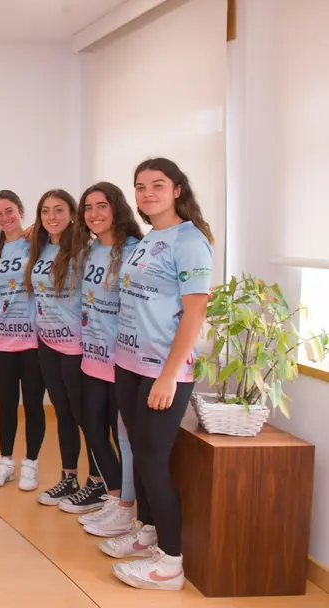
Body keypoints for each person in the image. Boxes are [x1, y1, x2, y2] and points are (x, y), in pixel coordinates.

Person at [103, 158, 213, 592]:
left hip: (161, 372)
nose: (147, 194)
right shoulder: (152, 238)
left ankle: (170, 563)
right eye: (141, 187)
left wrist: (169, 376)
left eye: (158, 185)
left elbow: (196, 311)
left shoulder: (191, 241)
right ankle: (146, 532)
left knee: (152, 459)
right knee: (141, 455)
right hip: (129, 364)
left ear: (178, 190)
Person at [28, 189, 105, 511]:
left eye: (59, 210)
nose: (52, 217)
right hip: (47, 343)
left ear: (73, 214)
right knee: (62, 414)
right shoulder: (41, 246)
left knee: (85, 417)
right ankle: (69, 477)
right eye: (45, 211)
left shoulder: (85, 251)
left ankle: (99, 484)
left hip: (76, 346)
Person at [74, 182, 143, 538]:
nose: (94, 214)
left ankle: (129, 509)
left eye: (101, 206)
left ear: (117, 208)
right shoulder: (89, 251)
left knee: (124, 437)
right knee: (93, 427)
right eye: (87, 208)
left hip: (124, 361)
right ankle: (115, 499)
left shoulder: (134, 251)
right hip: (92, 356)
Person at [0, 190, 44, 491]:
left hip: (33, 340)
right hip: (1, 341)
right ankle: (5, 462)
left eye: (10, 211)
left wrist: (38, 230)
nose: (5, 218)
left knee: (33, 404)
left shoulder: (38, 243)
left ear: (21, 210)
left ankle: (30, 464)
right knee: (6, 404)